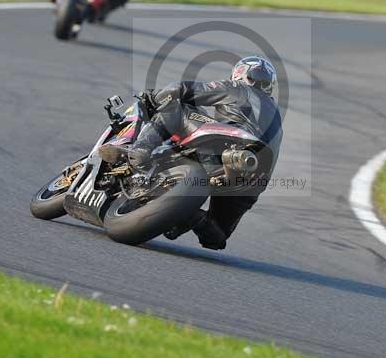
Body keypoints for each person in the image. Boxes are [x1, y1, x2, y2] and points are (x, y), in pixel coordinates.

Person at [99, 56, 282, 250]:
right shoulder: (277, 117)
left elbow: (181, 89)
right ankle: (194, 218)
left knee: (177, 107)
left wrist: (153, 98)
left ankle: (140, 150)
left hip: (227, 144)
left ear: (240, 74)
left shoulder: (237, 88)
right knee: (216, 237)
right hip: (253, 178)